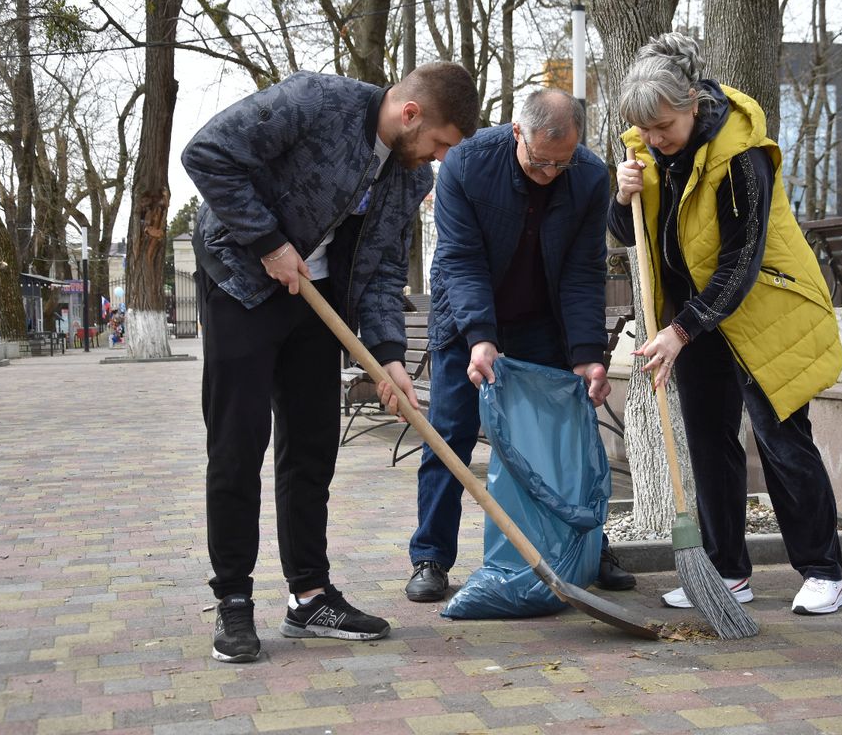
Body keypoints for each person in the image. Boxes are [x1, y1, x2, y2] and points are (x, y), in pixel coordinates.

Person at [182, 62, 480, 662]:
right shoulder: (315, 101)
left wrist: (389, 357)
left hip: (318, 302)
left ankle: (309, 596)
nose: (440, 158)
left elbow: (384, 269)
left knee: (313, 447)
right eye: (441, 144)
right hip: (242, 282)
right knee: (239, 445)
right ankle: (234, 600)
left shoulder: (407, 178)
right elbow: (207, 153)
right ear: (411, 114)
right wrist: (267, 243)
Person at [609, 33, 842, 615]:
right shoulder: (647, 148)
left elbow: (741, 260)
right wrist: (622, 197)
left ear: (694, 102)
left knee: (779, 438)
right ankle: (725, 572)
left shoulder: (742, 153)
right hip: (697, 316)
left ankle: (824, 571)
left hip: (767, 307)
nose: (656, 139)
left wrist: (680, 329)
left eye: (665, 126)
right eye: (646, 129)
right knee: (709, 441)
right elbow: (626, 235)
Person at [404, 88, 636, 603]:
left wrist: (586, 354)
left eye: (562, 163)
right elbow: (460, 260)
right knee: (450, 433)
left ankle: (585, 549)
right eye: (540, 162)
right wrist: (481, 339)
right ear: (516, 134)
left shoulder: (590, 177)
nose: (551, 173)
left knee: (558, 440)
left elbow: (583, 272)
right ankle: (431, 557)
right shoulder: (466, 165)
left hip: (540, 323)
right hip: (466, 322)